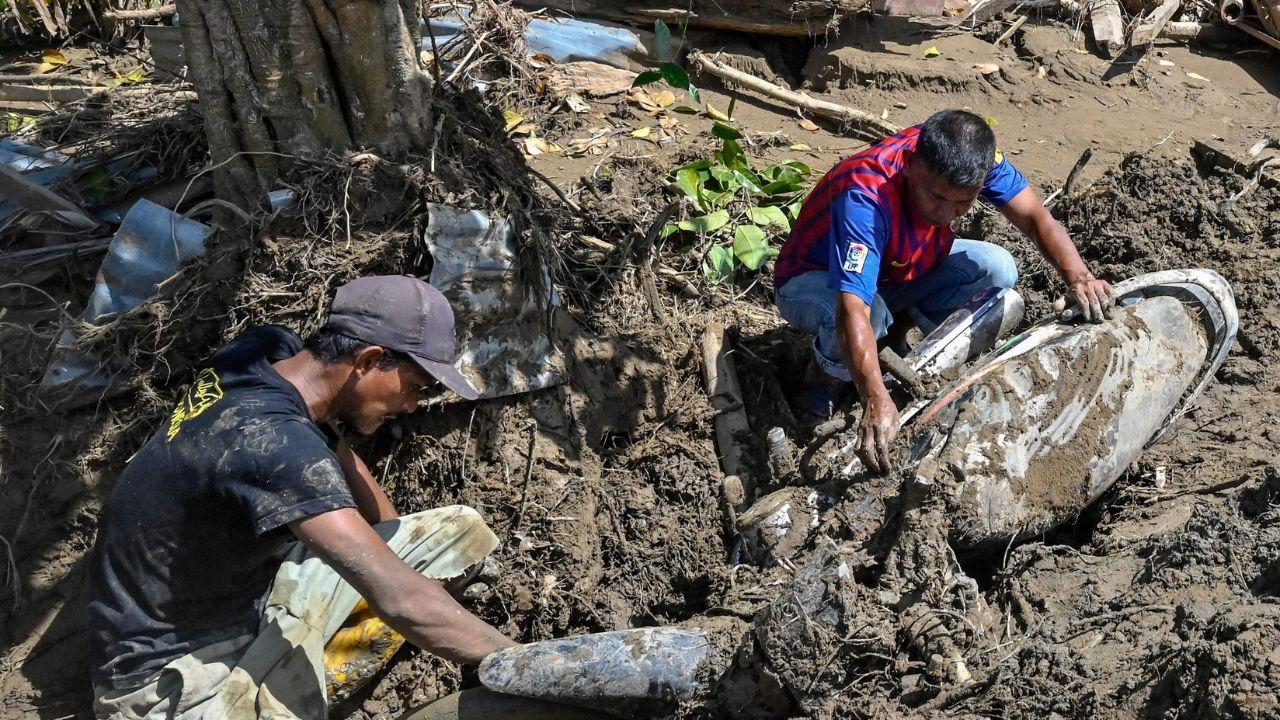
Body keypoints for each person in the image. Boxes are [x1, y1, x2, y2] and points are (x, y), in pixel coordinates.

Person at [86, 275, 517, 719]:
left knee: (455, 533)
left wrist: (393, 540)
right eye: (415, 386)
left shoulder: (267, 353)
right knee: (403, 596)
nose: (411, 405)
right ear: (369, 360)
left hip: (233, 601)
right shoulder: (274, 446)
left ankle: (296, 671)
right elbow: (401, 600)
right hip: (171, 683)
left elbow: (332, 443)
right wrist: (525, 663)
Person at [773, 109, 1114, 473]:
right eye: (935, 197)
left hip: (896, 273)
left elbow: (1035, 217)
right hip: (813, 281)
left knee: (998, 268)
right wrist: (873, 398)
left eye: (962, 203)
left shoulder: (975, 158)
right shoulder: (866, 194)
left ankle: (895, 337)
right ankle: (822, 382)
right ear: (910, 165)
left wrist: (1080, 278)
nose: (946, 212)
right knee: (869, 315)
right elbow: (851, 307)